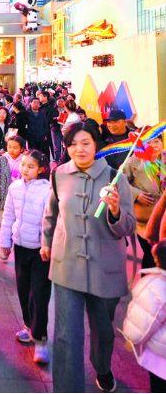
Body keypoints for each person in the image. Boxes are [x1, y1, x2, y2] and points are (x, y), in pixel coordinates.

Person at [41, 121, 136, 393]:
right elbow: (52, 213)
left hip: (105, 268)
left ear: (96, 144)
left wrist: (115, 210)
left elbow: (128, 227)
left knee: (103, 330)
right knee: (66, 334)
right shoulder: (59, 174)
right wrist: (46, 242)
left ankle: (102, 367)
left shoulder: (116, 177)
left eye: (85, 143)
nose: (79, 149)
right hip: (66, 263)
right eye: (72, 144)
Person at [0, 149, 52, 364]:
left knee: (39, 294)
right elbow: (8, 216)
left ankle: (40, 339)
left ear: (41, 169)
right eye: (23, 165)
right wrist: (5, 243)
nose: (25, 170)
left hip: (41, 251)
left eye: (31, 167)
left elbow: (50, 219)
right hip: (20, 247)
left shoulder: (48, 190)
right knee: (23, 289)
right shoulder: (14, 188)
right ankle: (29, 326)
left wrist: (47, 244)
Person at [123, 239, 166, 393]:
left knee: (159, 386)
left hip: (160, 359)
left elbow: (140, 324)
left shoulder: (153, 286)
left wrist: (131, 339)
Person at [124, 134, 166, 269]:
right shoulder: (133, 161)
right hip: (146, 220)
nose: (154, 146)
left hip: (164, 218)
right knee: (150, 255)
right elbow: (117, 181)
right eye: (149, 143)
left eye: (157, 141)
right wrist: (136, 194)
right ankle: (148, 280)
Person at [0, 135, 25, 214]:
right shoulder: (1, 161)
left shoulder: (24, 161)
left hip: (21, 196)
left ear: (22, 149)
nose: (11, 150)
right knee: (5, 218)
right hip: (4, 196)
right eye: (9, 147)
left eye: (15, 148)